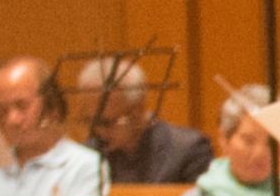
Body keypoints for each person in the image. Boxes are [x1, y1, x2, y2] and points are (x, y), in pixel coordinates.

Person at [0, 55, 103, 196]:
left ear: (51, 106)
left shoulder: (85, 166)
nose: (12, 120)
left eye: (22, 106)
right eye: (2, 110)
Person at [83, 51, 212, 187]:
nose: (97, 131)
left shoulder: (188, 150)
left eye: (105, 123)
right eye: (89, 121)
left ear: (137, 111)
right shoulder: (90, 152)